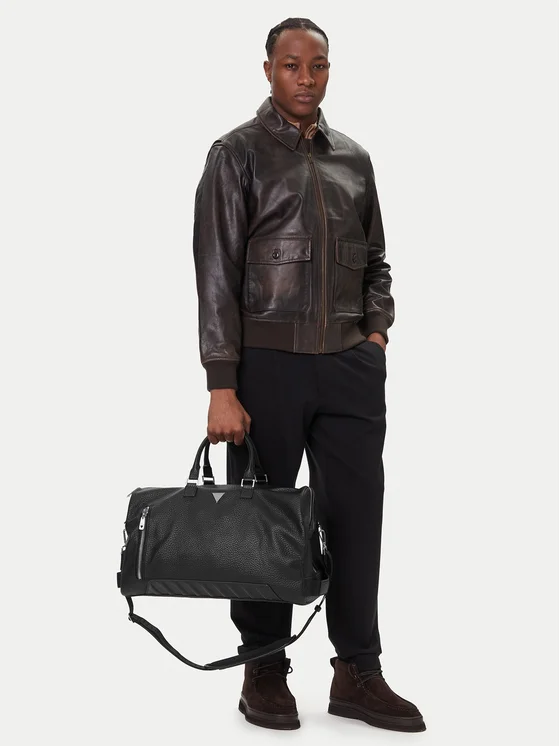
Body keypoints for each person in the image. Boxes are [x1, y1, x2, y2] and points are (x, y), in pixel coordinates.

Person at [192, 16, 425, 734]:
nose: (305, 77)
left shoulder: (354, 159)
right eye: (291, 64)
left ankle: (358, 669)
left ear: (329, 71)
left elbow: (377, 260)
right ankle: (263, 666)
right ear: (268, 69)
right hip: (266, 368)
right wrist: (222, 383)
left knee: (357, 517)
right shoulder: (235, 154)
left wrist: (375, 334)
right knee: (263, 520)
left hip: (351, 367)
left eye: (317, 65)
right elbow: (215, 273)